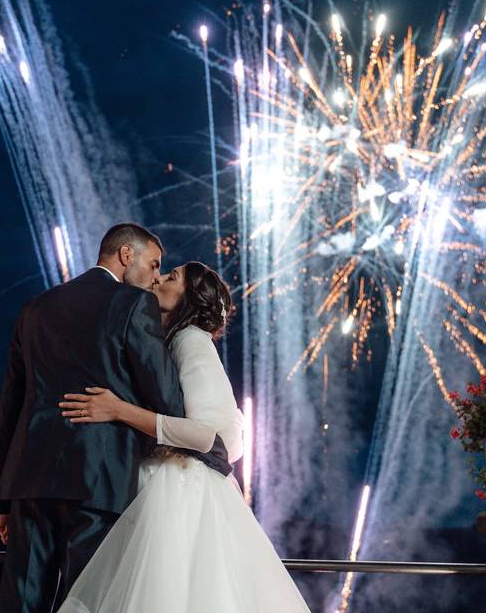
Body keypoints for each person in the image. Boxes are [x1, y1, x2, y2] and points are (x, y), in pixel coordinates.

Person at [0, 223, 229, 613]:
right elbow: (165, 398)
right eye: (153, 265)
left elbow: (10, 406)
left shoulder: (35, 307)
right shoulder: (134, 305)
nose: (155, 277)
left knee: (20, 605)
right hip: (100, 483)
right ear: (125, 255)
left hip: (28, 483)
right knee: (89, 602)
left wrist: (1, 498)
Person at [56, 261, 312, 613]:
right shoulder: (175, 339)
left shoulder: (191, 340)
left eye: (172, 277)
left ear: (189, 299)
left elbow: (206, 435)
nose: (160, 278)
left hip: (180, 495)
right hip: (174, 487)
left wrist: (119, 410)